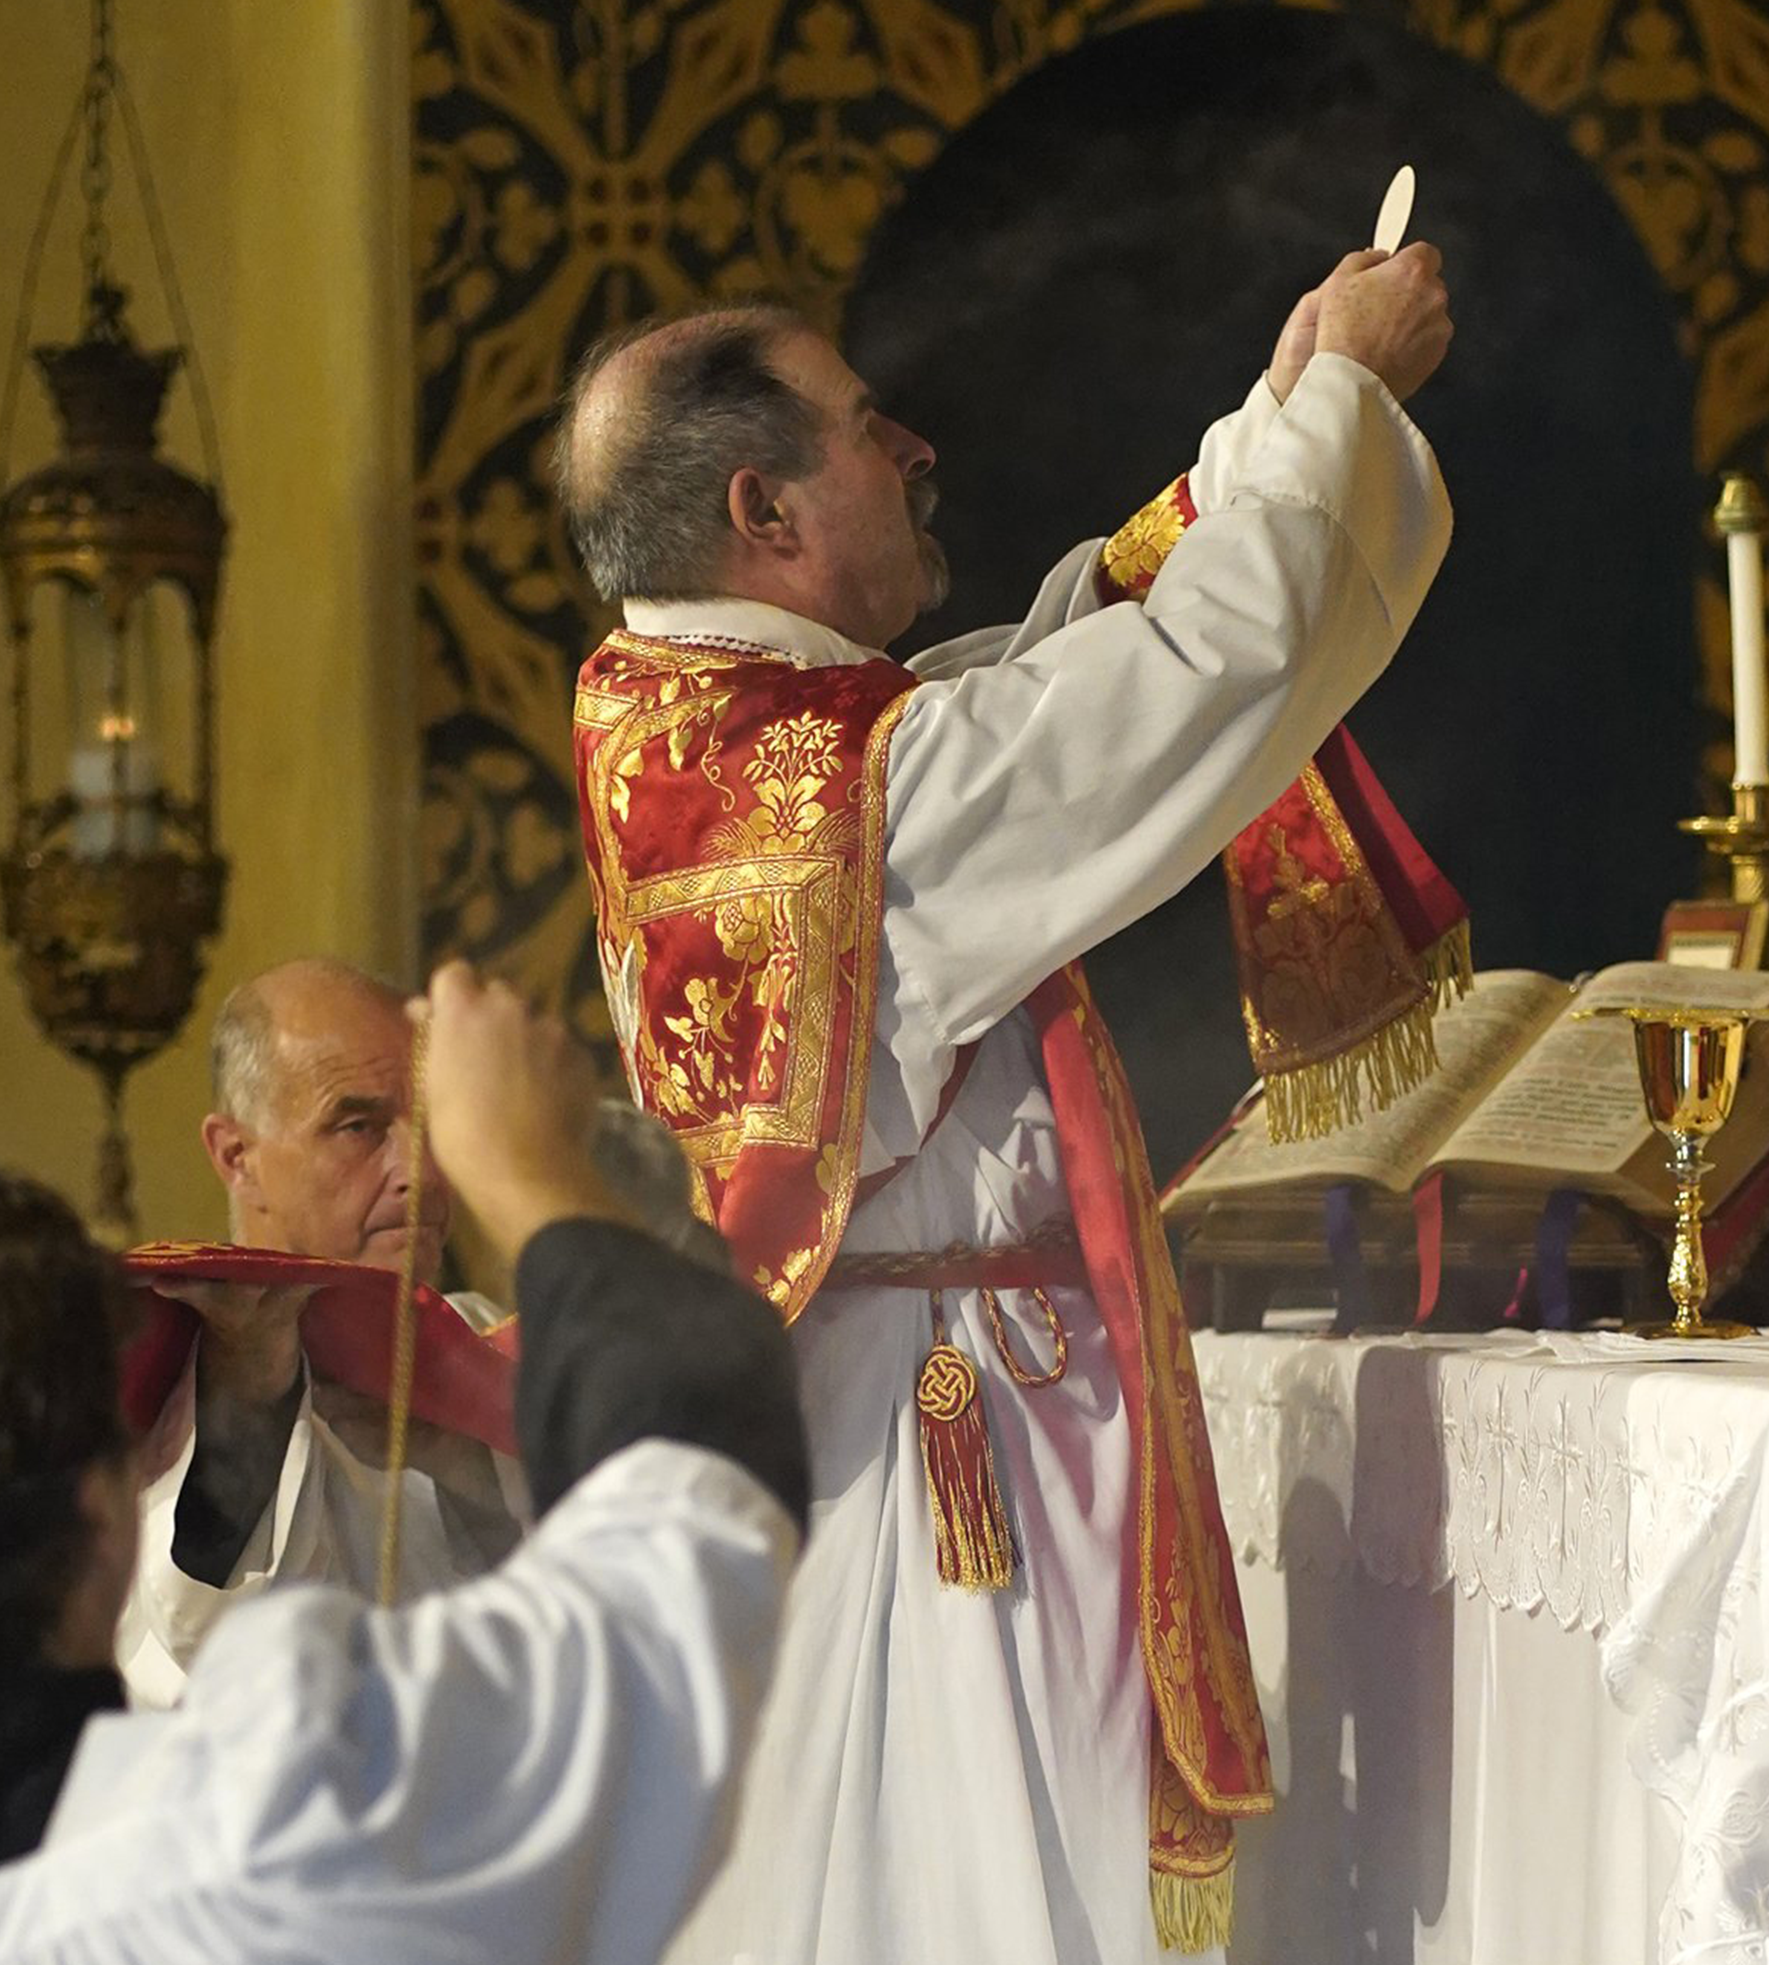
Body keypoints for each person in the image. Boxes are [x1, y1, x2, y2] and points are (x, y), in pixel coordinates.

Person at [559, 240, 1453, 1963]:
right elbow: (1192, 675)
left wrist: (1273, 425)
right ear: (765, 508)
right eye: (865, 425)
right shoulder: (851, 796)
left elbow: (1036, 675)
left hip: (861, 1415)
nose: (913, 452)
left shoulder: (704, 728)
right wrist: (1343, 397)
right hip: (938, 1451)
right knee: (982, 1890)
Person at [0, 962, 811, 1965]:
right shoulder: (299, 1823)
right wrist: (541, 1174)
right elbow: (692, 1541)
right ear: (103, 1510)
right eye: (361, 1125)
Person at [116, 954, 522, 1705]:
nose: (422, 1172)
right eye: (358, 1125)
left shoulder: (495, 1342)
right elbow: (205, 1655)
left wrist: (464, 1454)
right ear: (238, 1157)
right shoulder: (164, 1373)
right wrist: (250, 1387)